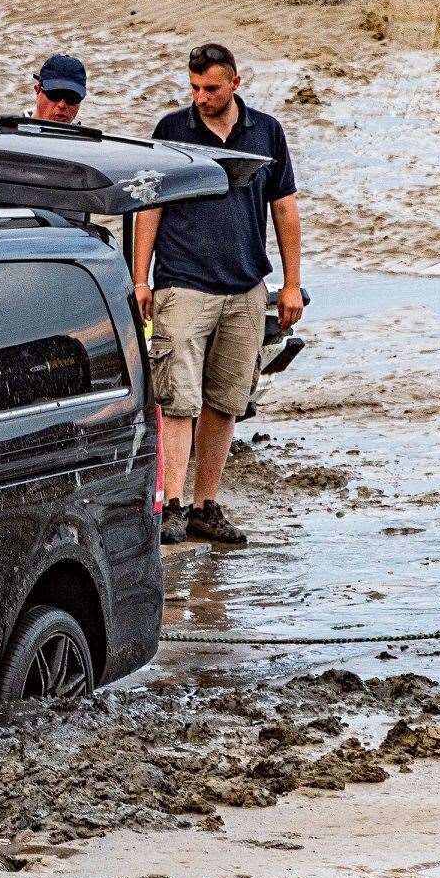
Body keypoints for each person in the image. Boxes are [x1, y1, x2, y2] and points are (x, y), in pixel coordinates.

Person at [131, 42, 301, 547]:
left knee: (225, 400)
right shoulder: (171, 131)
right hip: (182, 284)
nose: (200, 98)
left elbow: (285, 209)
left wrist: (290, 284)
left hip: (246, 288)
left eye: (210, 88)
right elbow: (150, 209)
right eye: (194, 88)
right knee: (177, 400)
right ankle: (171, 507)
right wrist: (141, 278)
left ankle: (206, 505)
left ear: (234, 84)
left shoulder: (266, 132)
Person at [30, 53, 86, 123]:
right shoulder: (14, 129)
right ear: (37, 90)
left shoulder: (87, 133)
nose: (62, 105)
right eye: (55, 94)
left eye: (72, 98)